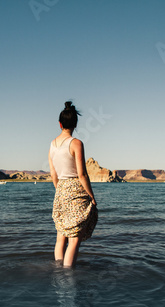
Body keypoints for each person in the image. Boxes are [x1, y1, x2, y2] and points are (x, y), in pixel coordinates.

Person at [49, 101, 98, 268]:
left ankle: (58, 271)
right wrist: (91, 196)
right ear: (75, 124)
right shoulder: (76, 143)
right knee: (74, 239)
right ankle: (68, 277)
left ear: (60, 123)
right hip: (76, 191)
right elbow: (82, 174)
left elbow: (53, 174)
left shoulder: (52, 144)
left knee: (61, 236)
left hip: (60, 189)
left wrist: (59, 190)